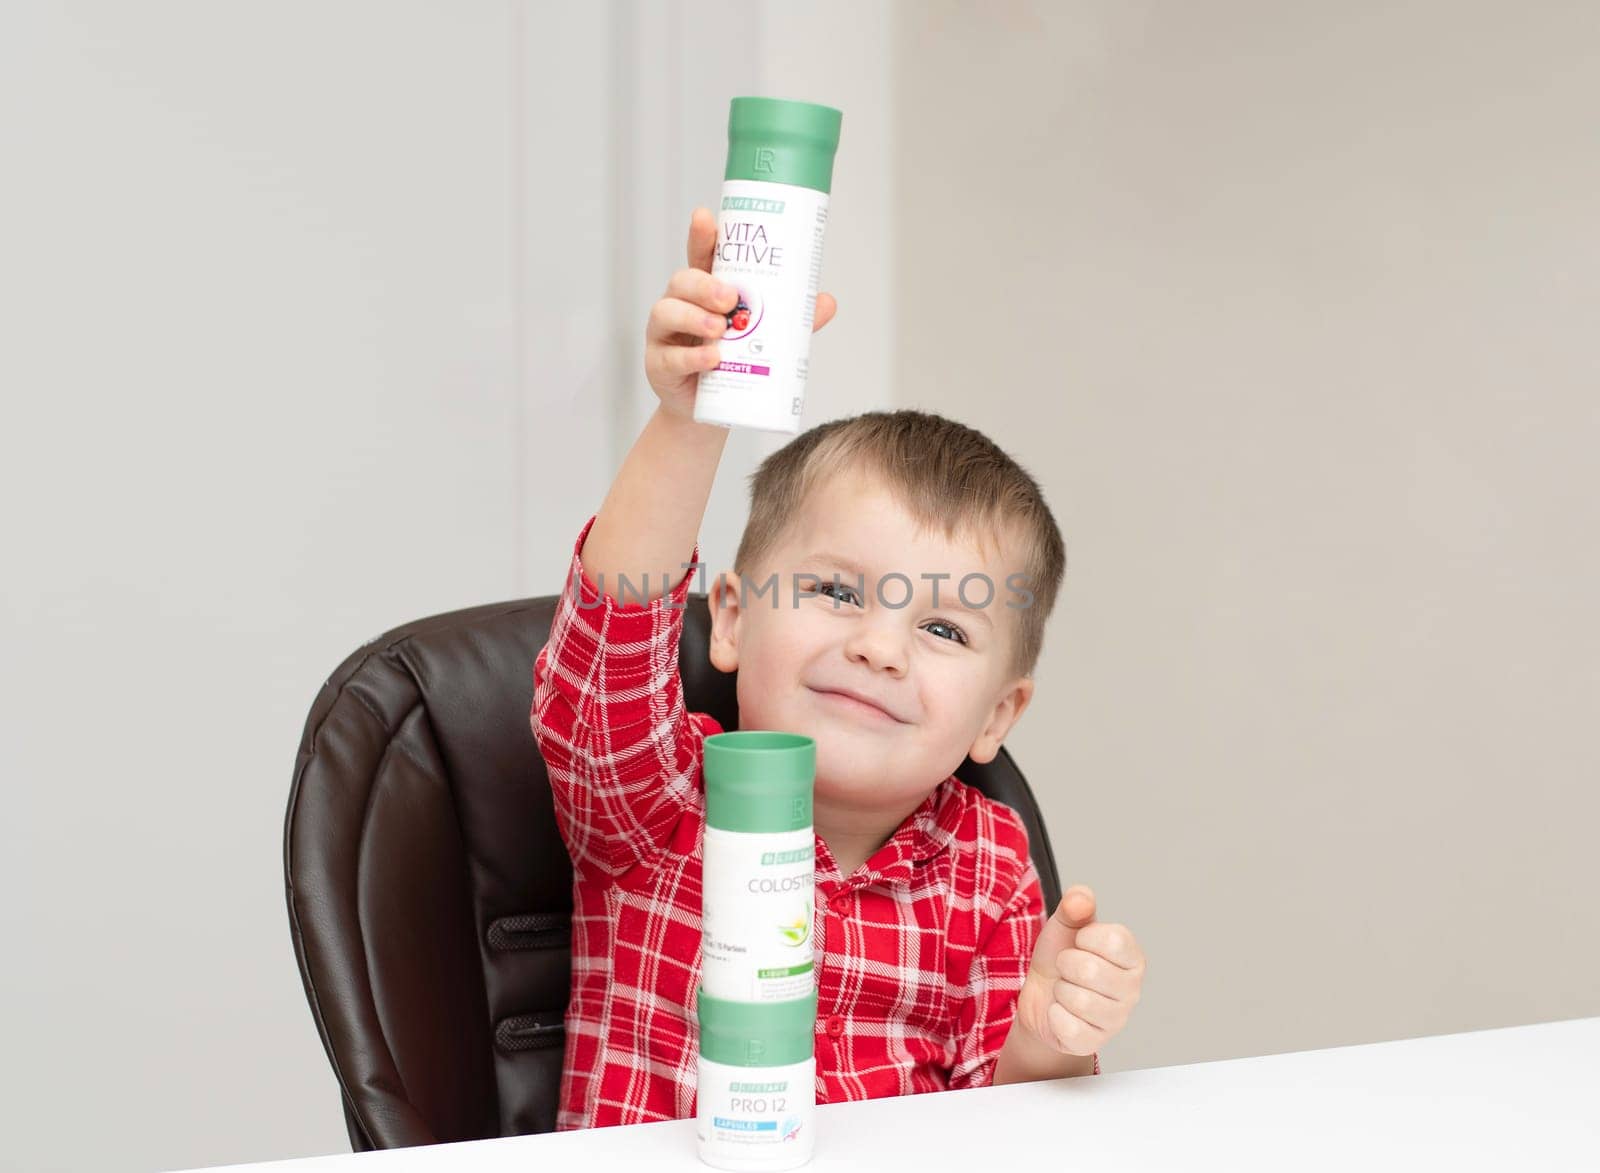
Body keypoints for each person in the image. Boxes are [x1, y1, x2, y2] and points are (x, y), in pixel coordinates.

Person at [531, 207, 1147, 1131]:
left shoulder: (985, 867)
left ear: (997, 715)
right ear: (730, 618)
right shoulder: (656, 801)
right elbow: (613, 639)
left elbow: (1010, 1131)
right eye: (837, 590)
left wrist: (1051, 1034)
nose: (881, 646)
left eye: (943, 631)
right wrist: (694, 417)